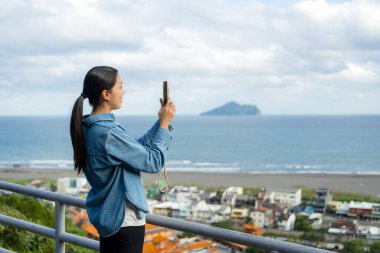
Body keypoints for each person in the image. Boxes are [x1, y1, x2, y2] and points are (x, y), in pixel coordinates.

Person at [70, 66, 175, 253]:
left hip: (109, 217)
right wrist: (165, 125)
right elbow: (153, 161)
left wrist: (162, 122)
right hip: (124, 220)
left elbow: (135, 149)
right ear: (106, 94)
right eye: (120, 86)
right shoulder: (108, 132)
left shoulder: (90, 128)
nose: (123, 91)